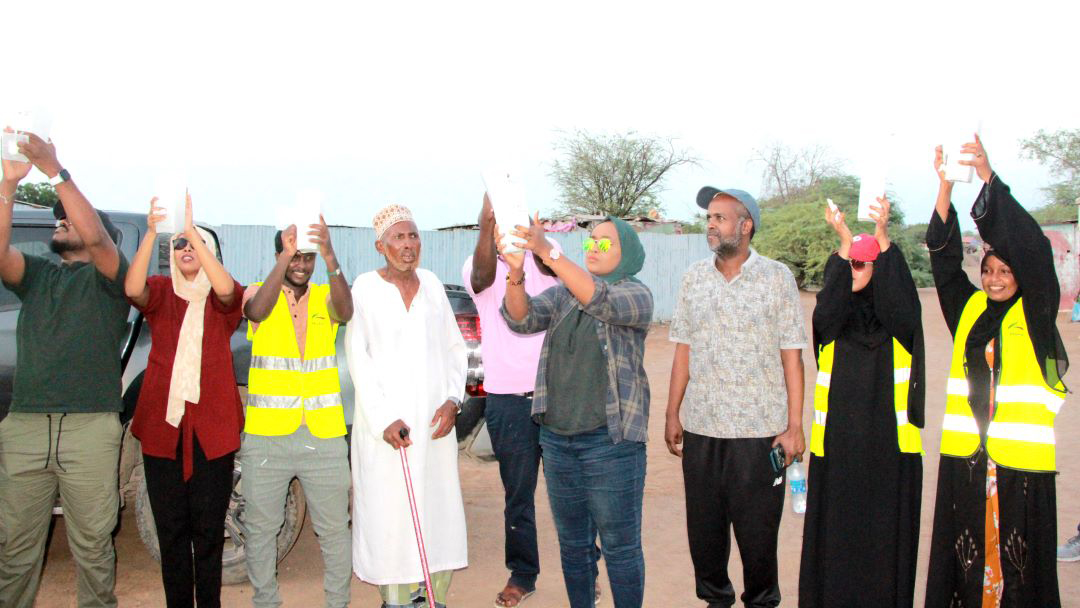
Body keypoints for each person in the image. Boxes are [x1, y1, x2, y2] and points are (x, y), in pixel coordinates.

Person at [924, 136, 1067, 608]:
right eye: (989, 270)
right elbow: (944, 265)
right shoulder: (968, 310)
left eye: (1006, 270)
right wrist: (945, 188)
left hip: (1019, 468)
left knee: (1017, 575)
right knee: (967, 570)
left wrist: (987, 177)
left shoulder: (1036, 313)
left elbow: (1034, 251)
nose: (996, 278)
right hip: (968, 464)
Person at [0, 132, 130, 607]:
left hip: (89, 427)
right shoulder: (38, 276)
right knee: (15, 546)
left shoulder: (110, 279)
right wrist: (9, 185)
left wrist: (54, 171)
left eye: (66, 219)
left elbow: (93, 234)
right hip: (25, 424)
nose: (59, 221)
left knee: (93, 546)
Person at [500, 214, 653, 608]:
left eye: (605, 243)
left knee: (620, 548)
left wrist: (547, 251)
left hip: (610, 443)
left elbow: (599, 299)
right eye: (590, 242)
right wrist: (516, 274)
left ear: (627, 253)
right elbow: (520, 318)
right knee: (574, 547)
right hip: (557, 441)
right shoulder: (564, 293)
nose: (593, 249)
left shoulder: (635, 294)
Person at [664, 187, 806, 608]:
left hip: (758, 432)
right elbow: (683, 348)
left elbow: (792, 359)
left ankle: (761, 602)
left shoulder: (777, 278)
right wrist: (673, 413)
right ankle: (715, 600)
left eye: (720, 218)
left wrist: (794, 427)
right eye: (709, 217)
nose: (710, 224)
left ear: (745, 226)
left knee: (758, 536)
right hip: (703, 428)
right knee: (704, 534)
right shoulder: (694, 278)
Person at [798, 197, 925, 607]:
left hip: (889, 458)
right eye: (850, 264)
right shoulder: (833, 326)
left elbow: (901, 300)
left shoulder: (900, 327)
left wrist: (882, 238)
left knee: (885, 550)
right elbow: (826, 308)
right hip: (839, 457)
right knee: (835, 547)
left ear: (879, 269)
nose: (854, 271)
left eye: (863, 264)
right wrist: (845, 242)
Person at [124, 193, 244, 607]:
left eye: (195, 243)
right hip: (163, 431)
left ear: (210, 252)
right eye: (179, 245)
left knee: (208, 534)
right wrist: (154, 232)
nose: (186, 249)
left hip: (212, 432)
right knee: (172, 533)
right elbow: (131, 287)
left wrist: (192, 230)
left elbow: (227, 290)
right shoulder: (160, 293)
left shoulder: (222, 299)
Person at [345, 204, 468, 608]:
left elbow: (455, 347)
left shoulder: (432, 285)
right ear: (380, 245)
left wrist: (453, 400)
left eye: (413, 235)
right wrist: (383, 418)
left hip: (434, 425)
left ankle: (434, 597)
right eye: (398, 237)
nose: (408, 244)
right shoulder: (364, 288)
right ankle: (395, 599)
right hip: (387, 429)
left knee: (439, 508)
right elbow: (357, 357)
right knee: (390, 512)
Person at [241, 218, 354, 608]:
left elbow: (346, 310)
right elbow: (256, 312)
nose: (301, 263)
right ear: (279, 255)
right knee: (260, 530)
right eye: (293, 254)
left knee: (335, 530)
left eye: (306, 256)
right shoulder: (258, 291)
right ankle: (266, 603)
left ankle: (337, 604)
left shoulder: (326, 294)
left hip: (322, 436)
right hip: (267, 437)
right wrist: (287, 254)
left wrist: (329, 255)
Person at [461, 194, 560, 608]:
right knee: (517, 495)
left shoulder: (549, 258)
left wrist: (538, 245)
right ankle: (523, 574)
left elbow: (561, 273)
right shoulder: (479, 268)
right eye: (499, 225)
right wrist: (486, 226)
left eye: (514, 223)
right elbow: (482, 278)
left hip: (559, 397)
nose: (509, 232)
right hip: (507, 400)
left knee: (572, 492)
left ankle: (583, 568)